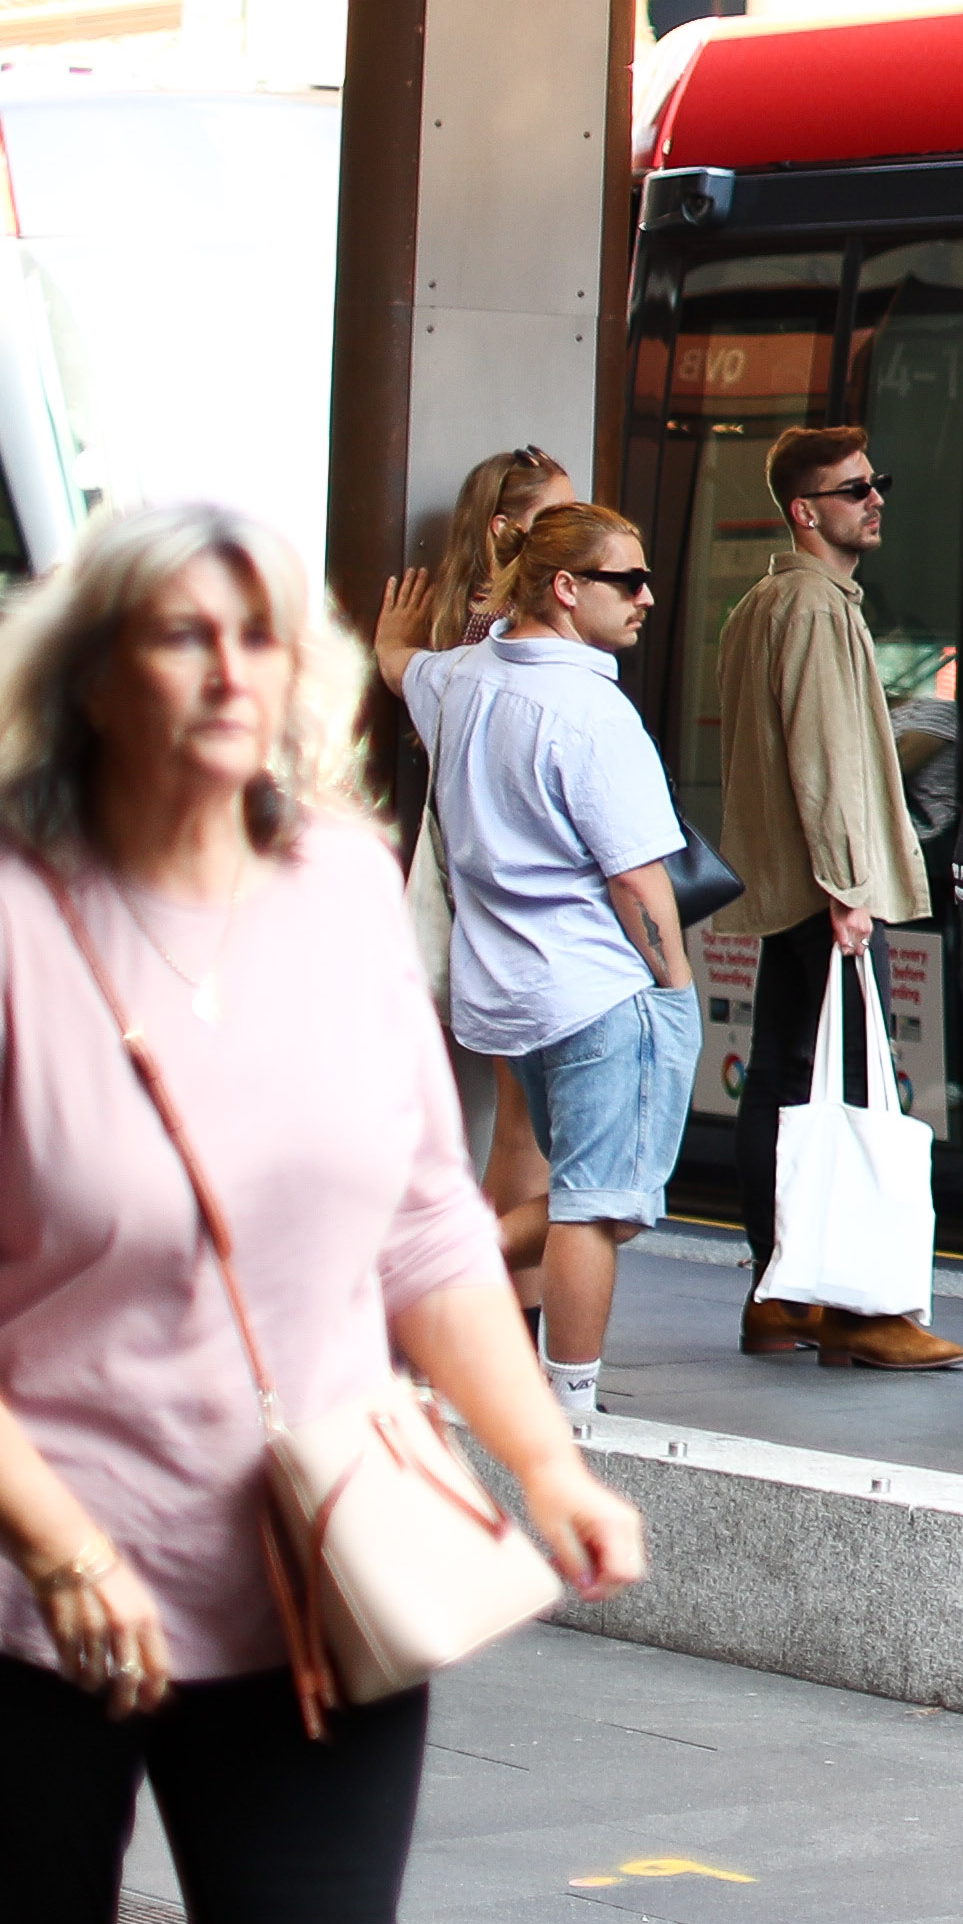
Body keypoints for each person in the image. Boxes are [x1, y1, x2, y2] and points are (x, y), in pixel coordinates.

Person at [0, 501, 648, 1924]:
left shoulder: (348, 889)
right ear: (94, 677)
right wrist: (61, 1546)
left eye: (259, 631)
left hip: (310, 1568)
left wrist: (544, 1461)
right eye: (181, 631)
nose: (232, 665)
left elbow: (430, 1221)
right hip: (17, 1604)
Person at [399, 505, 696, 1438]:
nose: (650, 598)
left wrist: (393, 637)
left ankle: (448, 1275)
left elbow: (402, 667)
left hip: (506, 990)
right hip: (599, 987)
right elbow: (638, 879)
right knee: (600, 1206)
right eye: (629, 581)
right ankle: (568, 1407)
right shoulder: (591, 711)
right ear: (566, 589)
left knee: (577, 1194)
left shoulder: (458, 682)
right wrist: (678, 992)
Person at [706, 423, 963, 1373]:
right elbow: (825, 762)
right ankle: (860, 1308)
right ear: (805, 511)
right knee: (853, 1086)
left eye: (876, 481)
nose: (876, 498)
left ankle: (781, 1291)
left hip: (787, 889)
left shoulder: (763, 605)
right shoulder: (815, 607)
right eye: (855, 488)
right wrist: (847, 889)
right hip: (828, 892)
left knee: (781, 1079)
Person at [365, 444, 570, 1298]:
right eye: (555, 516)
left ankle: (479, 1306)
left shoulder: (452, 631)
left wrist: (390, 651)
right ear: (507, 530)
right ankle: (473, 1302)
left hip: (466, 884)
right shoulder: (511, 634)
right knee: (527, 1130)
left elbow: (417, 685)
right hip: (513, 893)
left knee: (517, 1123)